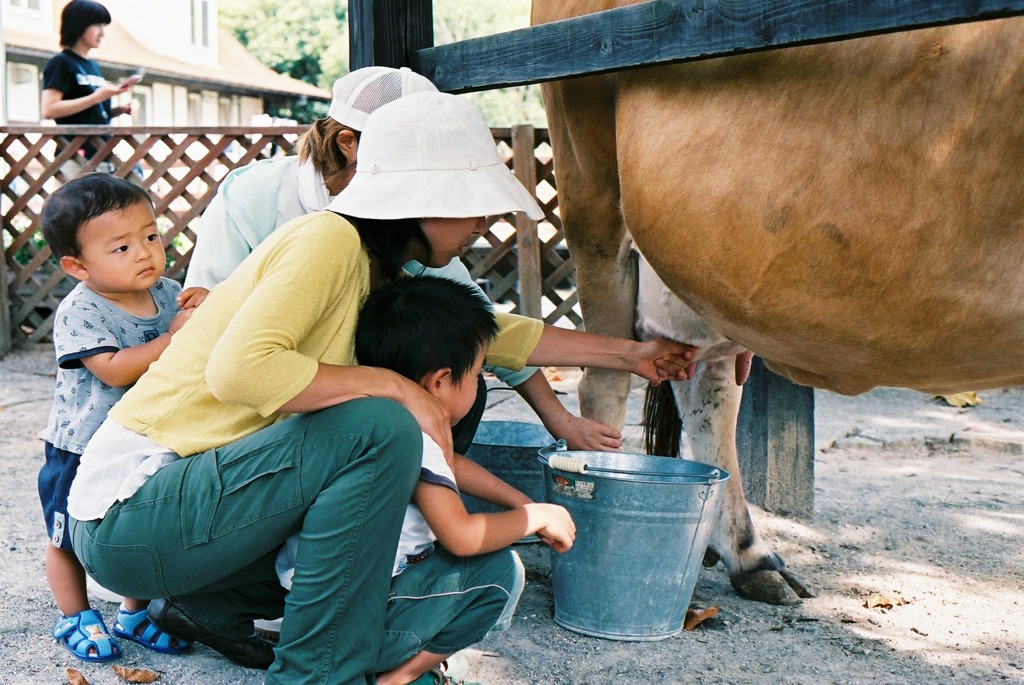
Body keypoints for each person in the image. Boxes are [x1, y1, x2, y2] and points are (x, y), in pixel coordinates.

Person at [65, 91, 693, 683]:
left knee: (467, 560)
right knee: (379, 425)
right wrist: (398, 390)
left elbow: (492, 335)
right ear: (424, 198)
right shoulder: (328, 238)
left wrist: (634, 354)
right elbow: (240, 370)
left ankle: (278, 628)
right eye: (470, 200)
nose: (481, 219)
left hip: (201, 519)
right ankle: (317, 673)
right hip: (132, 509)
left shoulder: (380, 267)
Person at [184, 65, 622, 453]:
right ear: (349, 144)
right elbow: (205, 323)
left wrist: (560, 416)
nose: (478, 225)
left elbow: (481, 330)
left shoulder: (410, 233)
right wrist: (396, 389)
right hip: (235, 411)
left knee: (456, 385)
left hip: (339, 395)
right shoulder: (268, 204)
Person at [276, 275, 577, 685]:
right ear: (439, 381)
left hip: (305, 614)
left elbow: (450, 463)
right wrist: (535, 517)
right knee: (500, 572)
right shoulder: (413, 435)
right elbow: (463, 536)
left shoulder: (361, 413)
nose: (477, 386)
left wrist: (519, 501)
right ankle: (401, 675)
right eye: (475, 376)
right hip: (363, 624)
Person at [38, 173, 194, 662]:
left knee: (139, 527)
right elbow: (113, 369)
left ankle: (133, 613)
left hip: (143, 439)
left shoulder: (169, 294)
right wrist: (174, 338)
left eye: (151, 236)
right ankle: (76, 615)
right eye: (121, 248)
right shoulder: (80, 311)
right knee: (66, 535)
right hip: (81, 445)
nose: (145, 252)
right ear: (77, 266)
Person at [41, 0, 137, 165]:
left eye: (104, 26)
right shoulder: (61, 62)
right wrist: (96, 97)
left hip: (102, 151)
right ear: (78, 25)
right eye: (97, 25)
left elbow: (90, 114)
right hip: (74, 153)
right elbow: (49, 109)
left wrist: (120, 110)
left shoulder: (93, 65)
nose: (102, 33)